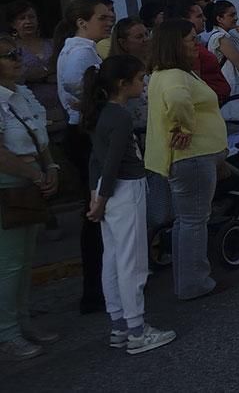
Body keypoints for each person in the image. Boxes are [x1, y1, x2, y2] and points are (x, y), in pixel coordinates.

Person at [81, 55, 176, 354]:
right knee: (132, 262)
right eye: (139, 79)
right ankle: (137, 330)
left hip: (106, 191)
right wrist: (103, 196)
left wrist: (95, 194)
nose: (143, 84)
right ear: (123, 84)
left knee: (112, 258)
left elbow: (96, 160)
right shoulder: (120, 116)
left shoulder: (101, 113)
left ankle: (120, 325)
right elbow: (111, 163)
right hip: (124, 189)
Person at [145, 19, 227, 300]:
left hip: (190, 158)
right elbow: (178, 101)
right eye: (191, 39)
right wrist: (186, 127)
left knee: (186, 220)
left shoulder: (168, 72)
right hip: (192, 157)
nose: (197, 43)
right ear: (174, 43)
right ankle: (194, 282)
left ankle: (188, 279)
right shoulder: (174, 76)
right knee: (194, 220)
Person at [0, 34, 61, 361]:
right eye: (8, 56)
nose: (16, 59)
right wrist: (36, 175)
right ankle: (7, 333)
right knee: (8, 264)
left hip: (32, 180)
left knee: (25, 260)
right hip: (10, 185)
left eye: (16, 53)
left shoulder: (21, 94)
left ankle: (21, 322)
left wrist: (49, 166)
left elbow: (39, 135)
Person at [53, 0, 113, 314]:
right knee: (96, 211)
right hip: (86, 136)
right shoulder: (80, 53)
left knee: (97, 211)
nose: (109, 21)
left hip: (84, 133)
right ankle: (96, 290)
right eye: (102, 17)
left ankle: (101, 285)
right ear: (82, 22)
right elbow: (83, 98)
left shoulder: (82, 49)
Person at [4, 1, 62, 132]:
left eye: (31, 17)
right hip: (31, 111)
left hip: (61, 108)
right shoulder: (11, 49)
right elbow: (18, 77)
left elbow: (61, 69)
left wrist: (39, 75)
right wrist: (47, 73)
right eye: (22, 18)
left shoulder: (52, 44)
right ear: (13, 24)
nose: (28, 21)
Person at [179, 4, 230, 103]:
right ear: (184, 19)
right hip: (210, 102)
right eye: (199, 16)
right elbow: (196, 80)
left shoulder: (198, 43)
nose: (204, 19)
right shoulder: (190, 48)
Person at [205, 0, 239, 97]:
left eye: (236, 14)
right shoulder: (220, 38)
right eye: (231, 15)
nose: (236, 18)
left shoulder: (232, 35)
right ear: (219, 19)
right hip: (232, 87)